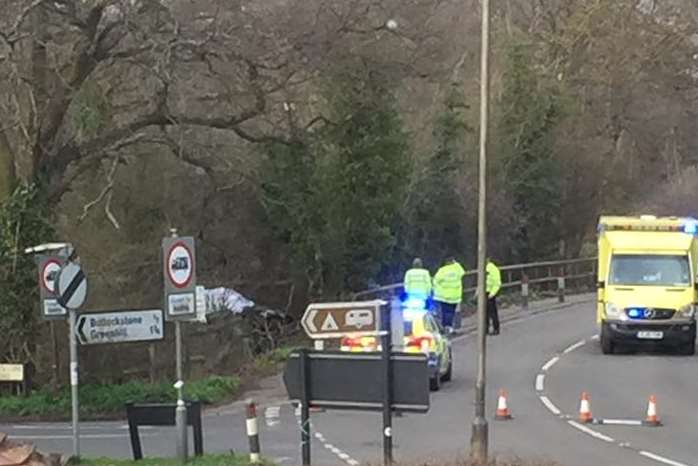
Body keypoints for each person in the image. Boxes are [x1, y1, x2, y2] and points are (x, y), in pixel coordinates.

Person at [433, 256, 466, 331]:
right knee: (451, 312)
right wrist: (456, 263)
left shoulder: (442, 270)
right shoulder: (457, 269)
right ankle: (448, 326)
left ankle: (445, 326)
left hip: (444, 295)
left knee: (445, 312)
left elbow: (436, 281)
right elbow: (463, 272)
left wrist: (438, 290)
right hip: (455, 296)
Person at [486, 257, 502, 335]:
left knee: (492, 312)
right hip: (486, 292)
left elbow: (497, 283)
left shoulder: (493, 269)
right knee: (485, 313)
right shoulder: (483, 268)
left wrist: (492, 294)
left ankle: (496, 328)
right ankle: (486, 329)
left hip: (490, 293)